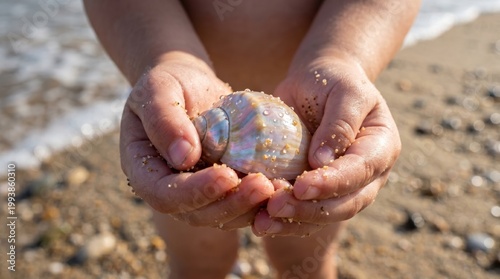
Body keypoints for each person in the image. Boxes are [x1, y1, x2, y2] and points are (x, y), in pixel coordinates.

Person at [84, 1, 420, 278]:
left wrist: (343, 55)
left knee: (304, 259)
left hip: (315, 120)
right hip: (185, 124)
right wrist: (168, 59)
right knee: (198, 262)